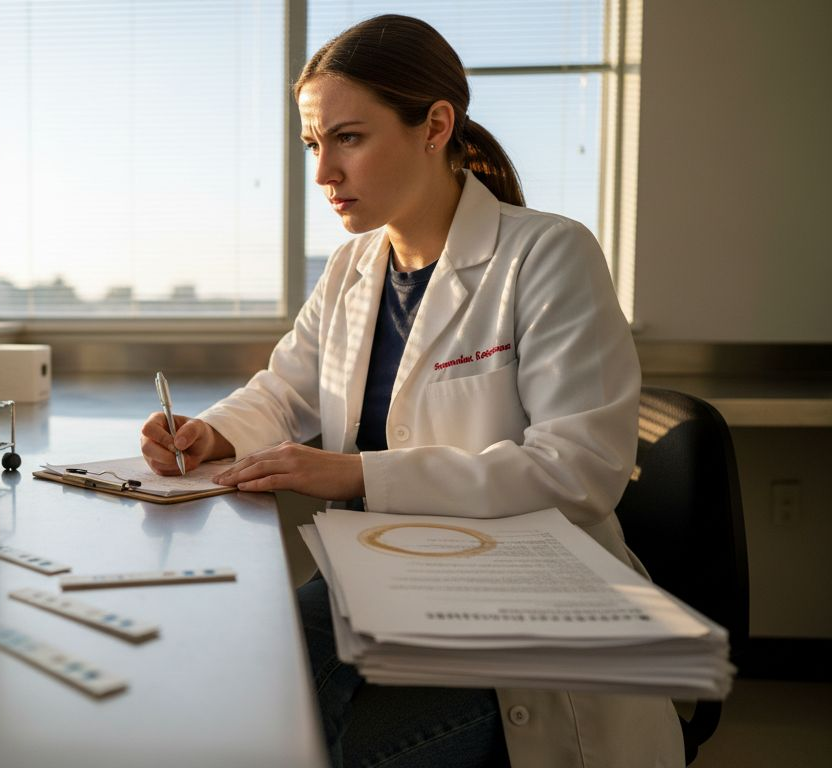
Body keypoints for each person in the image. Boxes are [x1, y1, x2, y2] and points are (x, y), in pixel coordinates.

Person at [139, 14, 683, 768]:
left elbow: (577, 470)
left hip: (518, 609)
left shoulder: (547, 256)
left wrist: (359, 474)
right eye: (313, 145)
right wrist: (213, 433)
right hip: (386, 581)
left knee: (312, 736)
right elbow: (286, 388)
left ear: (434, 126)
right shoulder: (351, 269)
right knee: (247, 686)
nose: (323, 172)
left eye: (348, 139)